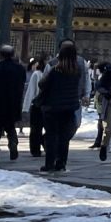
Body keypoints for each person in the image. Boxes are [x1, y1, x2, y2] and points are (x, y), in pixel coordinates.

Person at [38, 42, 84, 173]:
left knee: (51, 136)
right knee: (64, 137)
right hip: (69, 107)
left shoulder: (55, 70)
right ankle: (61, 163)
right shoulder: (76, 71)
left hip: (52, 107)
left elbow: (42, 84)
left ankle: (49, 164)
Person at [0, 45, 27, 163]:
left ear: (0, 55)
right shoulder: (20, 68)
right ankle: (13, 142)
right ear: (13, 55)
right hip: (13, 102)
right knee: (10, 126)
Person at [23, 52, 46, 157]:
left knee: (36, 129)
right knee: (37, 129)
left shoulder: (39, 74)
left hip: (39, 104)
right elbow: (31, 90)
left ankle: (36, 148)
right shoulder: (38, 74)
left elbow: (30, 91)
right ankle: (37, 148)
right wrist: (26, 106)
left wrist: (26, 106)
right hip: (41, 104)